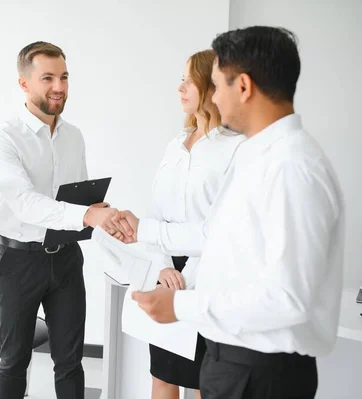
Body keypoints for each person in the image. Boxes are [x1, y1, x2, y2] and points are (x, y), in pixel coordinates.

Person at [113, 26, 345, 399]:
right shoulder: (260, 156)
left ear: (244, 87)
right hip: (235, 361)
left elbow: (287, 299)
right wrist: (145, 232)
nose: (214, 97)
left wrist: (182, 304)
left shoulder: (291, 167)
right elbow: (213, 234)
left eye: (218, 85)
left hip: (260, 371)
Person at [0, 41, 116, 399]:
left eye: (63, 77)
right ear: (24, 84)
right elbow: (26, 204)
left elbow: (78, 197)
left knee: (71, 361)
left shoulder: (73, 136)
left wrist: (100, 210)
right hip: (18, 261)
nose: (59, 86)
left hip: (66, 259)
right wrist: (86, 213)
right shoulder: (5, 138)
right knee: (14, 361)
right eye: (47, 77)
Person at [139, 49, 245, 399]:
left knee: (201, 382)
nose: (180, 88)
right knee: (162, 376)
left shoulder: (235, 148)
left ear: (211, 86)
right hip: (167, 273)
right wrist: (163, 267)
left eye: (189, 80)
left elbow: (220, 229)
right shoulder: (174, 146)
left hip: (205, 280)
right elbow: (155, 212)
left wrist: (186, 282)